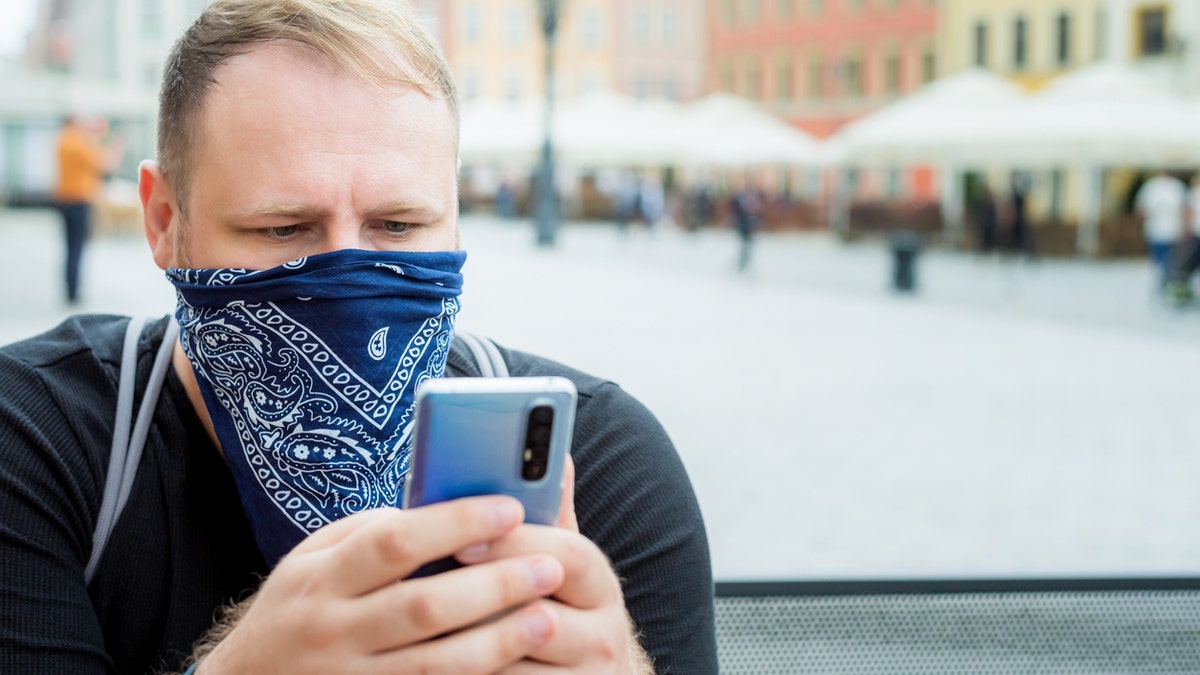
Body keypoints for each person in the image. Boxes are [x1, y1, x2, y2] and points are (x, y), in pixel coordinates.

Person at [0, 2, 717, 674]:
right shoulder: (38, 443)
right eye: (283, 229)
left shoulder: (599, 461)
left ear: (456, 217)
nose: (349, 276)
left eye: (399, 226)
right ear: (163, 220)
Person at [52, 115, 116, 304]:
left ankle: (68, 287)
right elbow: (101, 165)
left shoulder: (60, 141)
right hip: (80, 200)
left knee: (68, 246)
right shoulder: (79, 143)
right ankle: (73, 291)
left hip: (63, 198)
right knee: (77, 247)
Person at [1134, 170, 1187, 292]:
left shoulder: (1151, 186)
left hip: (1160, 231)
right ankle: (1166, 283)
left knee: (1163, 261)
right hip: (1168, 231)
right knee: (1168, 261)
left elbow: (1141, 210)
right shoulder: (1176, 187)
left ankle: (1165, 283)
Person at [730, 182, 763, 274]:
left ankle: (743, 266)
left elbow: (756, 215)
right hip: (744, 229)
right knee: (744, 249)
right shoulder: (742, 203)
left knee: (747, 250)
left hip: (748, 230)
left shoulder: (750, 203)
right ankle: (741, 266)